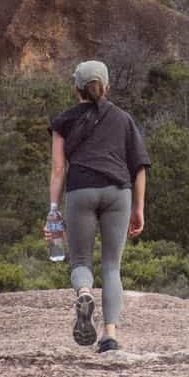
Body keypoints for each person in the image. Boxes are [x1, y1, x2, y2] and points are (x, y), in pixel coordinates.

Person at [47, 60, 148, 353]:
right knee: (112, 267)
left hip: (80, 190)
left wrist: (53, 210)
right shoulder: (123, 119)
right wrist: (138, 208)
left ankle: (84, 292)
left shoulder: (62, 121)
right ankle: (109, 336)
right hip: (118, 192)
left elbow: (57, 169)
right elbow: (139, 166)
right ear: (107, 87)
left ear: (75, 88)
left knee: (80, 262)